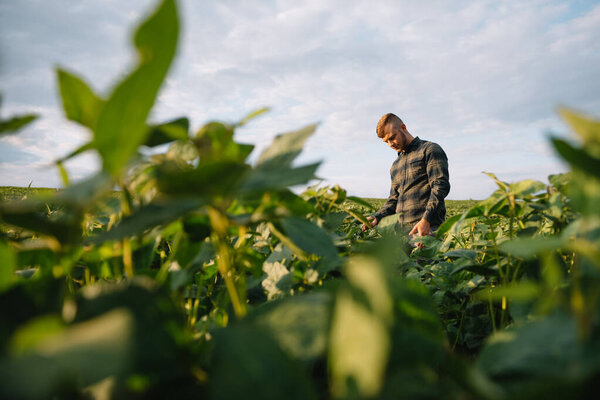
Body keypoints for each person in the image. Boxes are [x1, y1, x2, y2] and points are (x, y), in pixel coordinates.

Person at [362, 113, 450, 238]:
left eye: (392, 137)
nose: (390, 144)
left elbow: (440, 186)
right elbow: (394, 198)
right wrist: (377, 217)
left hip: (426, 230)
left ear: (403, 128)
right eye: (386, 141)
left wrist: (426, 220)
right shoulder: (395, 165)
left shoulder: (429, 150)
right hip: (401, 234)